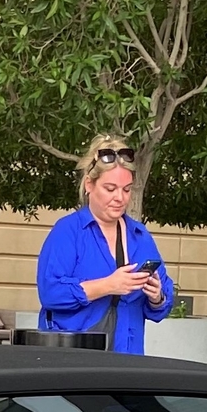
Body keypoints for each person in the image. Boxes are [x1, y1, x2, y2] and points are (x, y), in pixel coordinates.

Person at [36, 136, 174, 352]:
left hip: (128, 359)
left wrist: (157, 297)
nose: (120, 198)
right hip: (75, 361)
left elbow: (162, 305)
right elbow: (50, 293)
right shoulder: (67, 231)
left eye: (127, 189)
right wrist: (108, 285)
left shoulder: (140, 235)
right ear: (89, 184)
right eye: (110, 189)